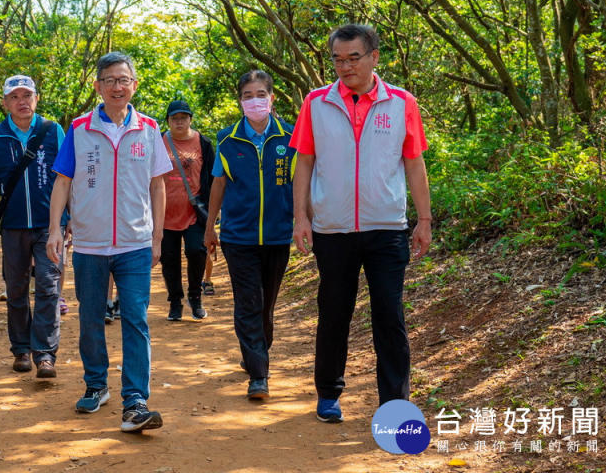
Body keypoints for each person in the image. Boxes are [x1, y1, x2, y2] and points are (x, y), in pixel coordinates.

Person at [290, 23, 431, 424]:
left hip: (386, 227)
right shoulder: (316, 102)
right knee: (334, 310)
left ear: (374, 57)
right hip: (332, 230)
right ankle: (328, 394)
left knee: (389, 313)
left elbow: (414, 163)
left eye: (354, 58)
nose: (345, 66)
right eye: (337, 59)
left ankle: (394, 404)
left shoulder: (402, 102)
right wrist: (301, 216)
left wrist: (424, 219)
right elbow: (304, 161)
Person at [46, 51, 172, 433]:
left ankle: (135, 400)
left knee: (135, 319)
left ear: (134, 84)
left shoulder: (148, 129)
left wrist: (157, 237)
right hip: (89, 243)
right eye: (110, 80)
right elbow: (63, 182)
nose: (117, 87)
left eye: (124, 79)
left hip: (134, 243)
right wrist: (56, 228)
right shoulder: (79, 128)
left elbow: (158, 185)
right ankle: (96, 385)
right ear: (98, 86)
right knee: (90, 319)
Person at [204, 70, 296, 401]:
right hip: (237, 236)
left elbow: (302, 182)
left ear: (272, 98)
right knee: (248, 302)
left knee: (265, 305)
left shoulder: (292, 135)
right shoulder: (227, 140)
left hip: (277, 235)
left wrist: (304, 221)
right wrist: (210, 226)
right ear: (240, 101)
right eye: (247, 95)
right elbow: (218, 183)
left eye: (260, 94)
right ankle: (259, 374)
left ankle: (255, 352)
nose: (254, 100)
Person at [0, 75, 66, 378]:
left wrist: (65, 221)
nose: (22, 101)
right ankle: (21, 348)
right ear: (6, 102)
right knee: (16, 289)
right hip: (13, 226)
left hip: (49, 226)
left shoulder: (52, 131)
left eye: (27, 95)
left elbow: (65, 178)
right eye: (15, 96)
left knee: (48, 287)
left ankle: (45, 354)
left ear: (36, 99)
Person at [159, 100, 214, 321]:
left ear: (190, 119)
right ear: (168, 121)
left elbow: (213, 177)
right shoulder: (158, 141)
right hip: (164, 213)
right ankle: (175, 302)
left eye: (184, 117)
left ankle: (195, 298)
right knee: (169, 258)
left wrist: (212, 211)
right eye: (175, 118)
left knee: (196, 251)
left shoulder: (204, 143)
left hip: (194, 212)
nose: (179, 122)